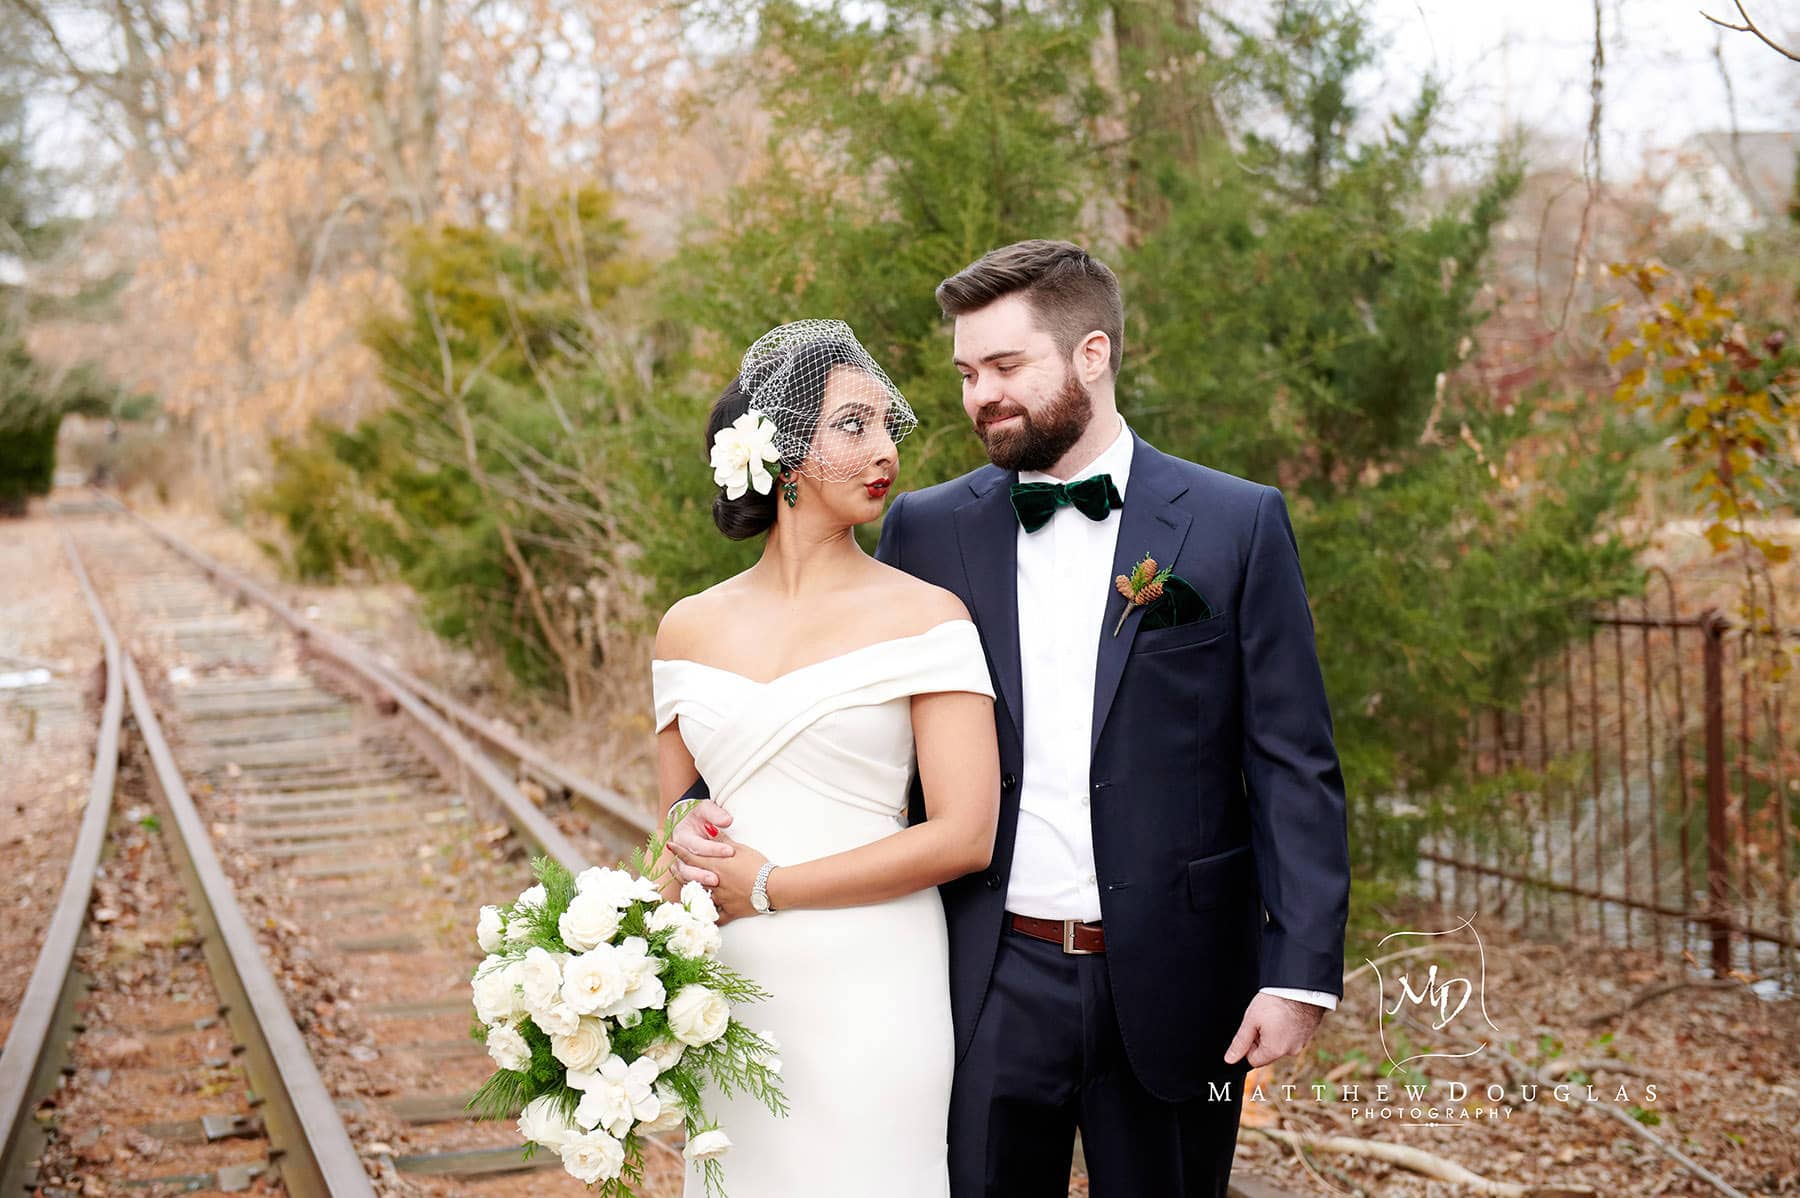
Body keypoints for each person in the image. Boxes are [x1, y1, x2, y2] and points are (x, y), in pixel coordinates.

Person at [668, 242, 1352, 1197]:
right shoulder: (925, 529)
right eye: (964, 373)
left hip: (1181, 977)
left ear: (1092, 355)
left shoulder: (1237, 523)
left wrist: (1300, 973)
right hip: (980, 978)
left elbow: (1294, 765)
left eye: (1005, 367)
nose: (979, 395)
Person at [649, 319, 1001, 1197]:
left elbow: (965, 836)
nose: (885, 449)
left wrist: (770, 886)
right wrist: (681, 849)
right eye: (853, 424)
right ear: (781, 450)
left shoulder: (929, 617)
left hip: (876, 980)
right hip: (731, 983)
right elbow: (674, 823)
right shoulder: (686, 627)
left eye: (887, 425)